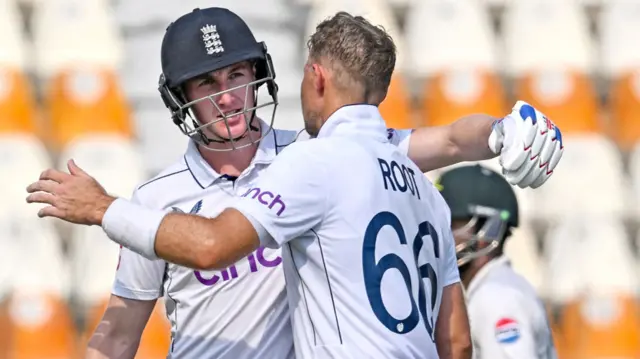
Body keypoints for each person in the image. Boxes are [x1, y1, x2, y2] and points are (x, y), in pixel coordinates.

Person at [25, 8, 563, 359]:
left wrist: (502, 130)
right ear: (178, 96)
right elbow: (117, 336)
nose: (228, 95)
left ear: (259, 73)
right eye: (207, 82)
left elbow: (447, 142)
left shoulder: (318, 156)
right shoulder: (153, 202)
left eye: (237, 74)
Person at [436, 164, 558, 359]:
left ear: (488, 230)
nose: (438, 234)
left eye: (449, 224)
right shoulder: (486, 291)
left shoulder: (498, 298)